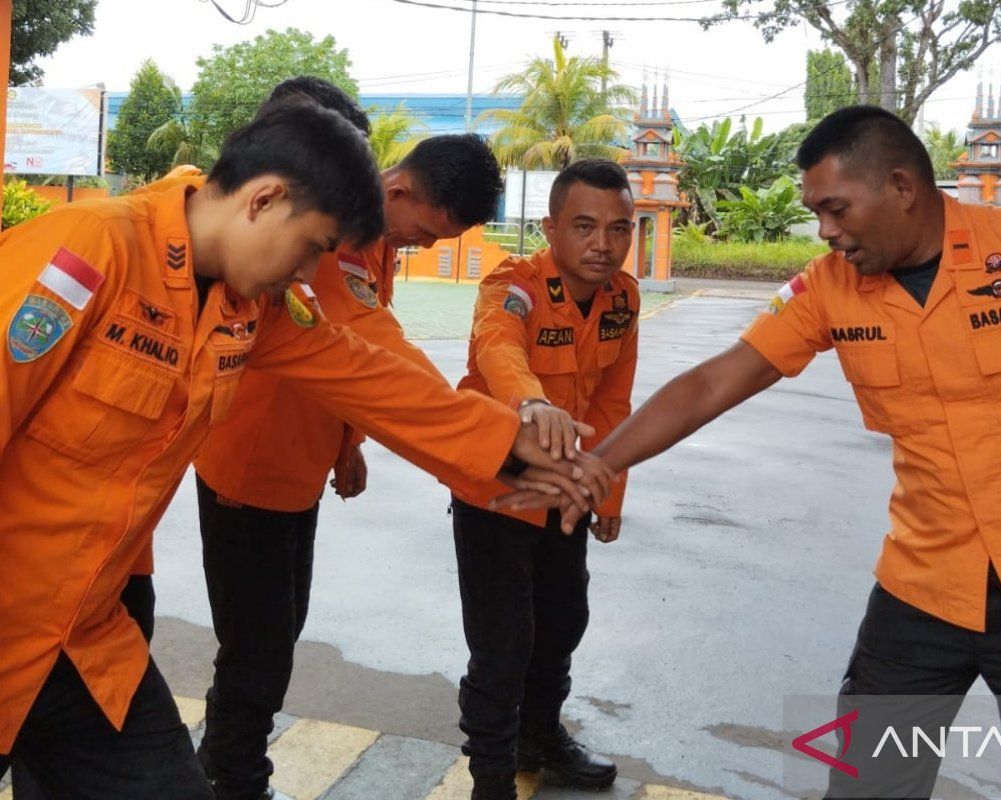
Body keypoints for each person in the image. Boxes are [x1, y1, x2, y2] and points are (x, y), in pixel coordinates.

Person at [500, 106, 1001, 797]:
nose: (825, 231)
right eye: (816, 212)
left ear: (901, 186)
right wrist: (600, 464)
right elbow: (716, 380)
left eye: (836, 208)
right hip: (927, 591)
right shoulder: (831, 287)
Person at [0, 100, 603, 799]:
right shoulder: (86, 250)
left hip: (80, 640)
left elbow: (371, 375)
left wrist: (518, 451)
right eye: (314, 246)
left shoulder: (250, 305)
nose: (312, 271)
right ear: (264, 200)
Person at [191, 130, 507, 800]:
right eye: (426, 231)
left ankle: (213, 761)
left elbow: (342, 362)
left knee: (265, 642)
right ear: (397, 191)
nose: (425, 247)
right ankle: (238, 783)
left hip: (296, 468)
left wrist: (347, 443)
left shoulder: (373, 244)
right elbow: (375, 354)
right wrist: (500, 450)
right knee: (260, 653)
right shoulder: (330, 240)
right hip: (251, 469)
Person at [452, 158, 639, 800]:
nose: (603, 244)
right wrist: (531, 401)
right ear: (550, 227)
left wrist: (610, 489)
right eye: (585, 226)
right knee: (503, 645)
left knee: (562, 622)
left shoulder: (623, 298)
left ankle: (540, 738)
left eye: (620, 229)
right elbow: (497, 345)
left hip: (570, 492)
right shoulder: (515, 284)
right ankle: (492, 777)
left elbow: (615, 402)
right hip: (496, 488)